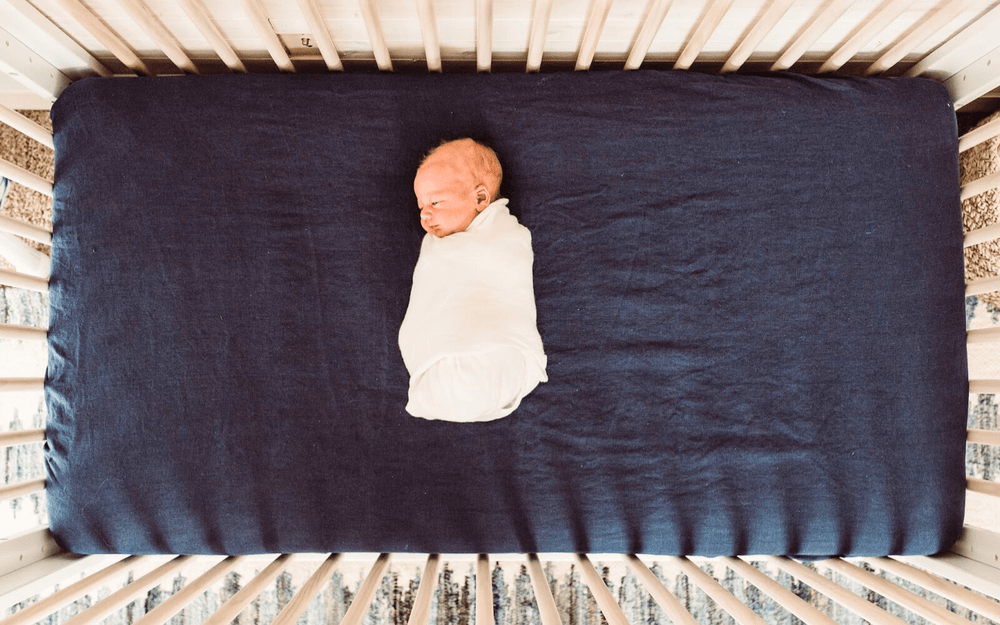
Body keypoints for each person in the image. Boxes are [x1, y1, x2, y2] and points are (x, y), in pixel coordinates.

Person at [398, 138, 547, 422]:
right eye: (420, 206)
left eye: (435, 201)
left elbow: (502, 284)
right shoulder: (438, 247)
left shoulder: (505, 237)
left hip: (498, 356)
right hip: (441, 371)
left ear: (480, 199)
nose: (425, 214)